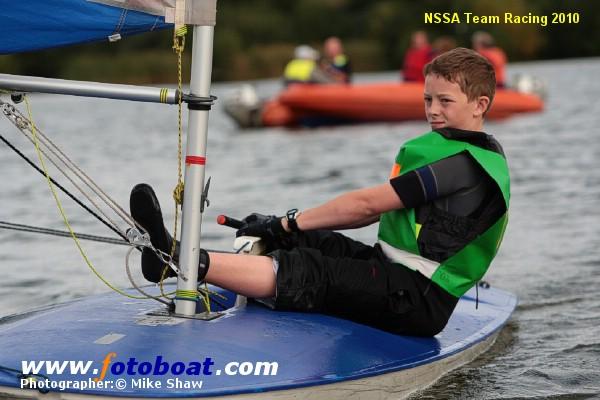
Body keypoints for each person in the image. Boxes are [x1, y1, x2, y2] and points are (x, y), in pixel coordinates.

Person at [131, 47, 510, 337]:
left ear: (480, 106)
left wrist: (286, 221)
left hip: (417, 301)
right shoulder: (449, 151)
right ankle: (238, 273)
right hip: (394, 274)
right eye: (428, 99)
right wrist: (282, 228)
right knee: (313, 241)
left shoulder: (465, 165)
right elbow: (374, 215)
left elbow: (365, 207)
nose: (433, 110)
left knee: (314, 270)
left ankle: (177, 259)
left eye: (445, 101)